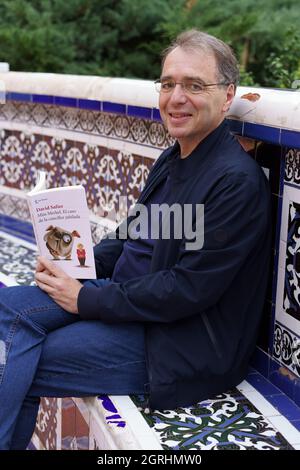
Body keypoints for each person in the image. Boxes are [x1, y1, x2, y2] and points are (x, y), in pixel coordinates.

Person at [0, 29, 271, 450]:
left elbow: (187, 289)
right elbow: (132, 233)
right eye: (168, 84)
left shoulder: (235, 182)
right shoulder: (175, 155)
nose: (175, 97)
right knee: (6, 314)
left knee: (21, 359)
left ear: (228, 94)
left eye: (194, 86)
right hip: (125, 300)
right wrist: (74, 262)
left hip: (175, 342)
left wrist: (86, 300)